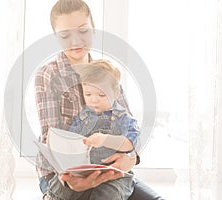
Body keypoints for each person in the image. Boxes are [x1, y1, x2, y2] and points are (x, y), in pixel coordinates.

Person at [34, 0, 164, 199]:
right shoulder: (47, 75)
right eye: (65, 35)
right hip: (62, 175)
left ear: (93, 29)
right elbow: (50, 138)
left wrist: (130, 157)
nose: (75, 41)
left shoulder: (106, 72)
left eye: (83, 30)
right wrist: (72, 178)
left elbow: (129, 124)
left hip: (109, 170)